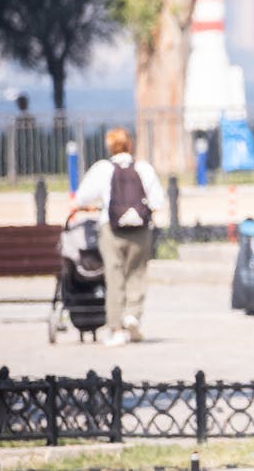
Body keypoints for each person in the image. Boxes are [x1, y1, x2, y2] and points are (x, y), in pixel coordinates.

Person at [74, 128, 164, 347]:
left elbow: (81, 197)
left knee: (114, 277)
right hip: (140, 228)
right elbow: (158, 200)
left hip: (110, 227)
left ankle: (115, 329)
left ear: (109, 146)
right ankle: (132, 314)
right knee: (137, 272)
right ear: (129, 145)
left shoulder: (103, 169)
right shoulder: (143, 168)